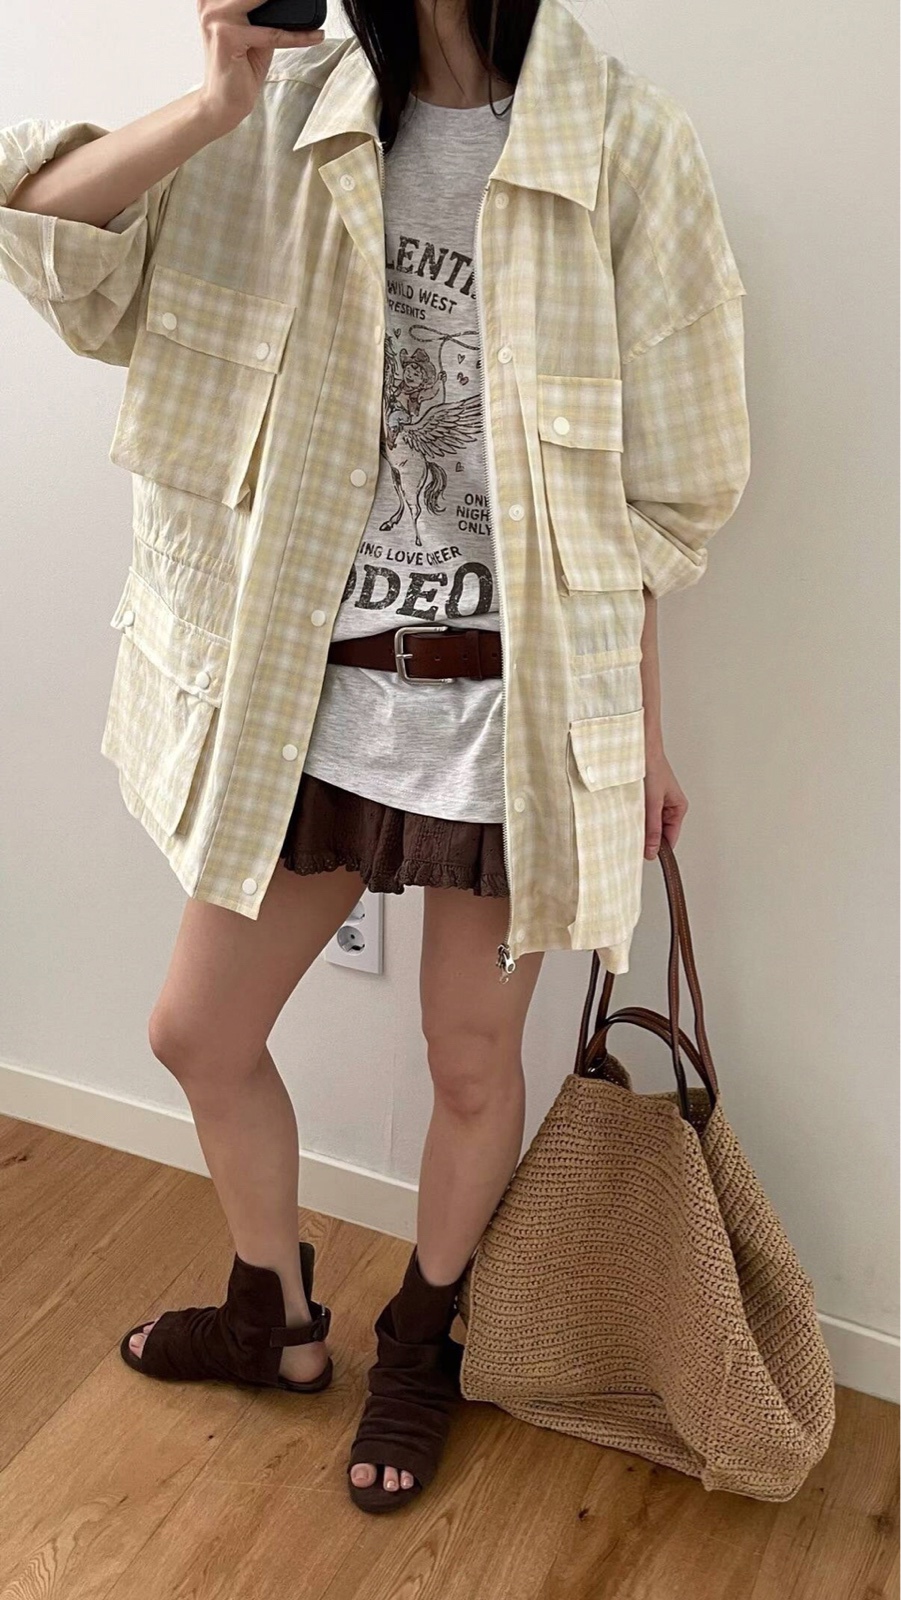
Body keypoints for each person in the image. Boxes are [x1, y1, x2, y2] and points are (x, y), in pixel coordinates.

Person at [0, 0, 749, 1515]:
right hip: (307, 699)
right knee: (197, 1032)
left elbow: (647, 503)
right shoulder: (284, 117)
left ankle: (423, 1336)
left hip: (506, 717)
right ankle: (271, 1315)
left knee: (469, 1062)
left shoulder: (622, 146)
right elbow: (50, 237)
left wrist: (640, 736)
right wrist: (213, 102)